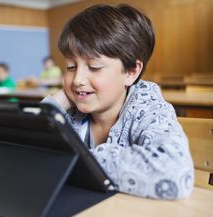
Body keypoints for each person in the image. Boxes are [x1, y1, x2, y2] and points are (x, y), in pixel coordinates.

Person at [41, 4, 194, 200]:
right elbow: (25, 151)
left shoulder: (147, 108)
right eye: (71, 66)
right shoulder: (71, 111)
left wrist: (69, 160)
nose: (78, 79)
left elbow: (174, 171)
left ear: (131, 72)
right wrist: (56, 103)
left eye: (94, 67)